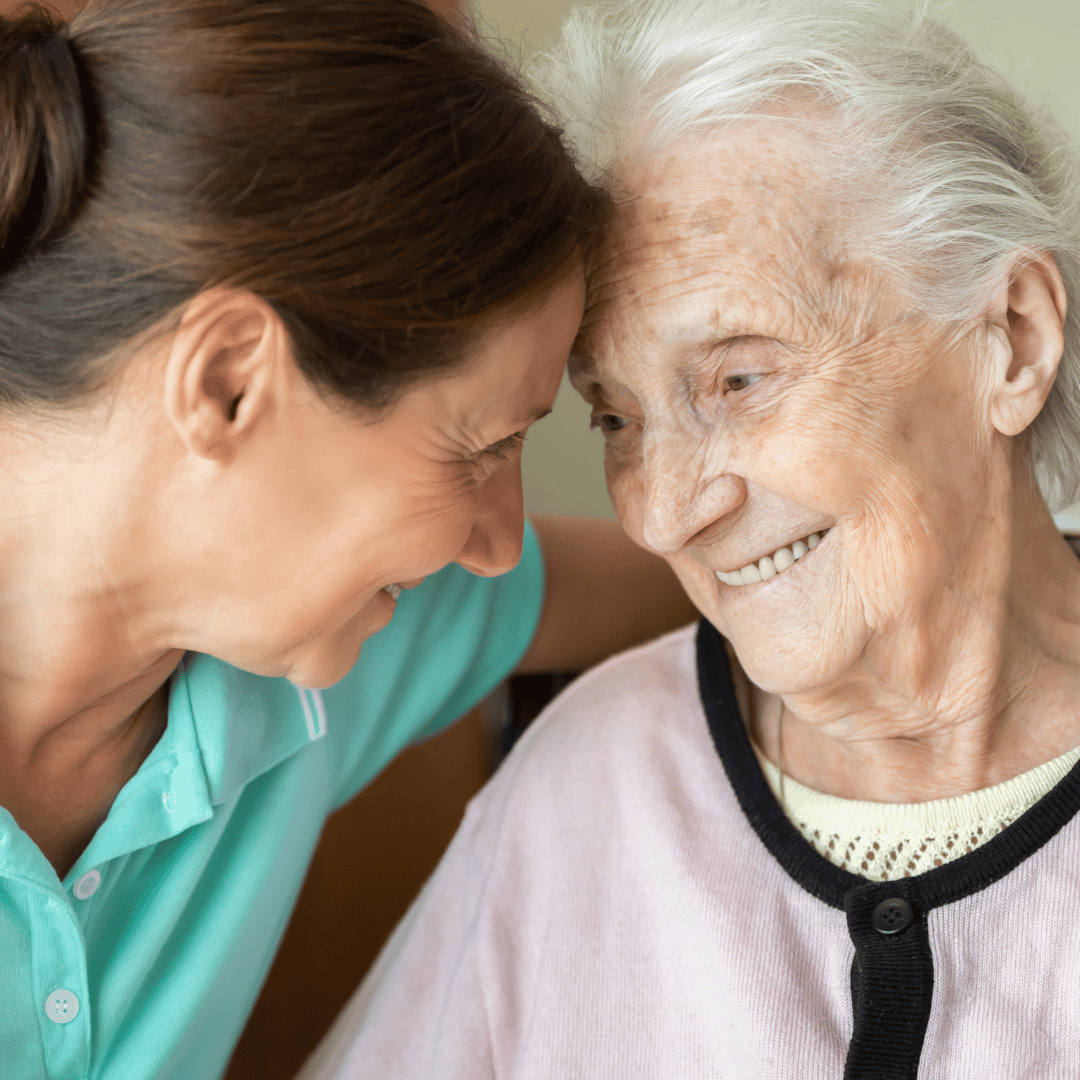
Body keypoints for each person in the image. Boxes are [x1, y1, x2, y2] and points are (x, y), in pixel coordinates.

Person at [299, 0, 1080, 1076]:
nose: (661, 513)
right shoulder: (588, 785)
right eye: (614, 417)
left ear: (1013, 341)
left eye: (738, 380)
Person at [0, 1, 698, 1077]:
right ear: (229, 381)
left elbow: (711, 565)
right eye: (479, 448)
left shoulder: (327, 657)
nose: (498, 542)